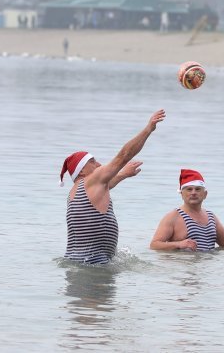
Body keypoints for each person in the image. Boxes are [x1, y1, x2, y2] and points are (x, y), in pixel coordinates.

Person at [60, 109, 166, 264]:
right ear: (81, 169)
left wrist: (123, 174)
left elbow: (108, 184)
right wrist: (148, 129)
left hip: (79, 261)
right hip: (94, 265)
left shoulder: (77, 191)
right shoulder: (92, 180)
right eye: (93, 161)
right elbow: (123, 156)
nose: (99, 164)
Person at [149, 169, 224, 251]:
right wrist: (178, 244)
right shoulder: (173, 217)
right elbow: (154, 245)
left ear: (205, 194)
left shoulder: (211, 216)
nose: (193, 193)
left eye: (198, 189)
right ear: (181, 194)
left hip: (207, 269)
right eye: (189, 189)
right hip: (182, 268)